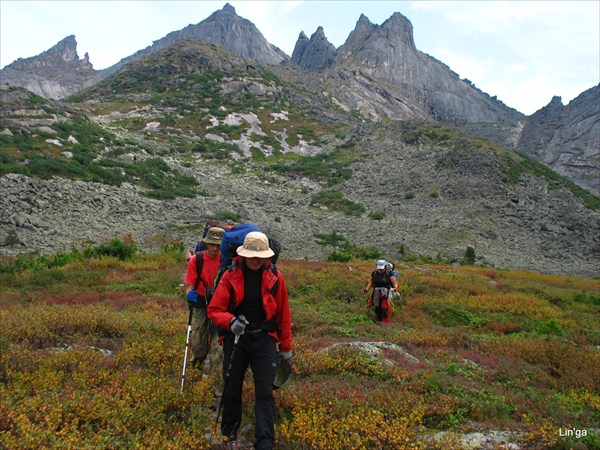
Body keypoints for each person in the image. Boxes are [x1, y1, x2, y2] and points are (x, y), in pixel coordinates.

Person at [208, 231, 292, 450]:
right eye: (252, 255)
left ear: (267, 256)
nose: (256, 260)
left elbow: (283, 314)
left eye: (260, 256)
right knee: (232, 387)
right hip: (236, 339)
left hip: (264, 339)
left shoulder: (275, 276)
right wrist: (231, 321)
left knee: (264, 392)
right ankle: (229, 433)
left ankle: (265, 443)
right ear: (244, 254)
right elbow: (215, 310)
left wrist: (285, 347)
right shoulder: (230, 275)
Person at [183, 226, 225, 369]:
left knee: (217, 350)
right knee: (198, 344)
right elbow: (189, 286)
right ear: (207, 243)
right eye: (212, 244)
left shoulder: (226, 262)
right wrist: (190, 294)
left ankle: (217, 388)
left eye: (218, 245)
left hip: (220, 308)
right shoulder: (197, 260)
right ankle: (196, 368)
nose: (215, 248)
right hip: (201, 304)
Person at [363, 259, 398, 323]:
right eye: (379, 268)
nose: (380, 270)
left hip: (386, 294)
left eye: (381, 268)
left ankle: (385, 324)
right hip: (376, 292)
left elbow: (394, 282)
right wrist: (366, 289)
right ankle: (379, 321)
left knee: (384, 308)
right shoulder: (374, 273)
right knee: (377, 307)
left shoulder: (389, 273)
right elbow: (371, 282)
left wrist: (395, 287)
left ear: (384, 266)